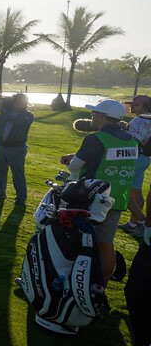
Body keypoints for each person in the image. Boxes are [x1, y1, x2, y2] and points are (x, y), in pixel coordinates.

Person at [60, 98, 139, 284]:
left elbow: (75, 165)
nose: (92, 115)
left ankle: (72, 281)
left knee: (77, 240)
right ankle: (100, 285)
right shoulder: (131, 140)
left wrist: (73, 160)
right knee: (105, 243)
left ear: (103, 116)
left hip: (91, 198)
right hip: (117, 198)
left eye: (94, 113)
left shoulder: (96, 138)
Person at [0, 93, 33, 207]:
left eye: (20, 102)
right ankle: (0, 192)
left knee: (18, 174)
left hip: (17, 149)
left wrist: (2, 109)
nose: (17, 104)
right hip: (1, 147)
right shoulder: (5, 113)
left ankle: (21, 197)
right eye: (16, 102)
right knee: (0, 172)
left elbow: (15, 120)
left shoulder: (28, 115)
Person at [121, 94, 151, 234]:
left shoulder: (143, 119)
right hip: (142, 158)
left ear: (145, 106)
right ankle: (135, 224)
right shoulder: (144, 118)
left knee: (122, 188)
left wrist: (120, 130)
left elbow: (139, 139)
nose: (131, 106)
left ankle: (141, 221)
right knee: (135, 191)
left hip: (136, 159)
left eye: (135, 105)